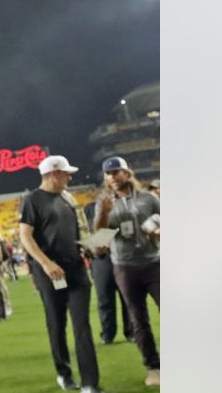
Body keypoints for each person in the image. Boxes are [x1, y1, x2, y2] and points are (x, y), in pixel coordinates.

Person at [19, 155, 103, 393]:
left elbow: (78, 234)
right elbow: (25, 236)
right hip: (50, 272)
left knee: (82, 325)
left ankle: (89, 383)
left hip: (75, 268)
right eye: (66, 172)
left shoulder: (68, 198)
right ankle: (64, 374)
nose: (70, 176)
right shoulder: (32, 200)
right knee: (57, 325)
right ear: (54, 173)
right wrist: (45, 264)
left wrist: (94, 244)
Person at [94, 156, 161, 387]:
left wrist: (159, 232)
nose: (112, 177)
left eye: (116, 172)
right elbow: (99, 241)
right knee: (138, 319)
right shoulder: (103, 202)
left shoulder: (148, 198)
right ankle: (154, 367)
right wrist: (104, 213)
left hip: (154, 262)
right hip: (124, 266)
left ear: (127, 172)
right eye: (108, 174)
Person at [83, 194, 134, 345]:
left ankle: (131, 332)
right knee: (104, 298)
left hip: (123, 256)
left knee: (127, 297)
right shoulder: (90, 208)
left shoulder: (125, 206)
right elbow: (92, 231)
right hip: (102, 258)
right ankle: (108, 334)